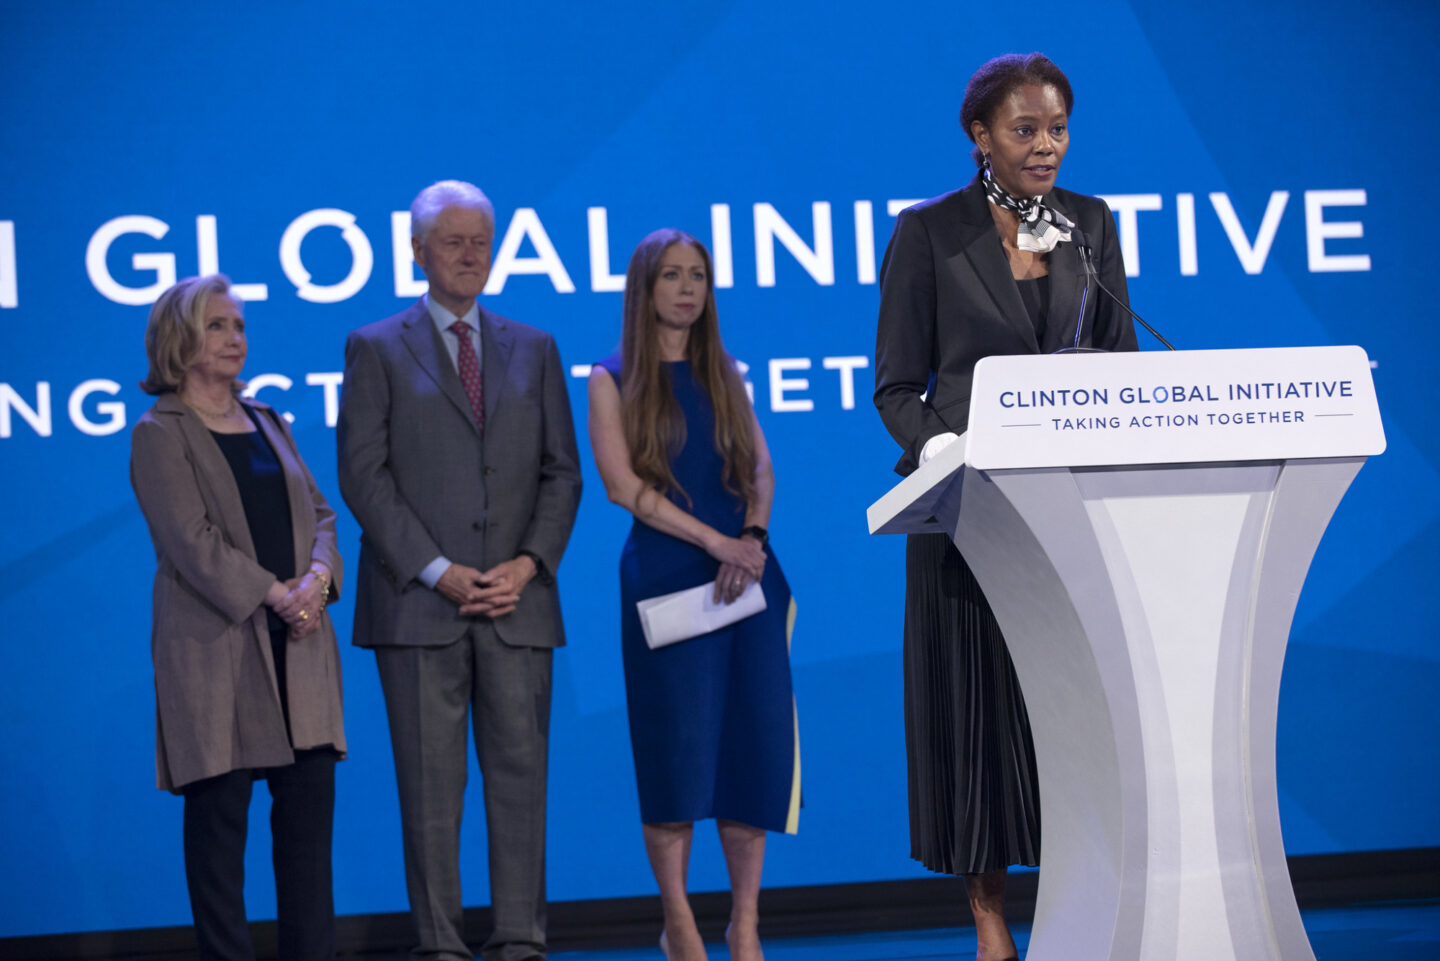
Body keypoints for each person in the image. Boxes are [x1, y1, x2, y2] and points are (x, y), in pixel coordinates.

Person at [873, 53, 1137, 961]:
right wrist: (939, 446)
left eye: (1057, 128)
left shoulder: (1091, 224)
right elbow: (897, 384)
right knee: (979, 720)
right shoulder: (929, 234)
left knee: (1065, 714)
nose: (1046, 146)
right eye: (1025, 129)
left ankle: (1082, 894)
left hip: (1068, 519)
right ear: (978, 135)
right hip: (967, 522)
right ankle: (990, 922)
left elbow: (1117, 359)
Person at [337, 180, 582, 961]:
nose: (471, 253)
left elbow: (562, 473)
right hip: (420, 606)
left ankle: (519, 939)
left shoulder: (534, 346)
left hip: (517, 603)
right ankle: (440, 946)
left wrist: (529, 562)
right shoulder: (375, 346)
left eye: (482, 239)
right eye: (454, 240)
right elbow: (362, 475)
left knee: (521, 787)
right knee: (430, 797)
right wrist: (437, 568)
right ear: (417, 251)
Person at [587, 229, 800, 961]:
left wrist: (754, 536)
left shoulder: (725, 372)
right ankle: (678, 919)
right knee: (676, 757)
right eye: (673, 275)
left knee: (751, 751)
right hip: (669, 583)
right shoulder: (610, 378)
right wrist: (717, 544)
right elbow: (623, 487)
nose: (687, 288)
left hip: (747, 581)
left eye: (699, 276)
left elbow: (762, 468)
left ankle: (745, 923)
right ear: (644, 287)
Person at [130, 274, 346, 961]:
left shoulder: (267, 420)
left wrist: (316, 581)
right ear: (181, 338)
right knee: (221, 833)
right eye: (219, 325)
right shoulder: (159, 433)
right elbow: (189, 542)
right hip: (216, 650)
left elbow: (320, 515)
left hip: (300, 647)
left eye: (240, 326)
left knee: (308, 837)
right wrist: (274, 593)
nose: (235, 339)